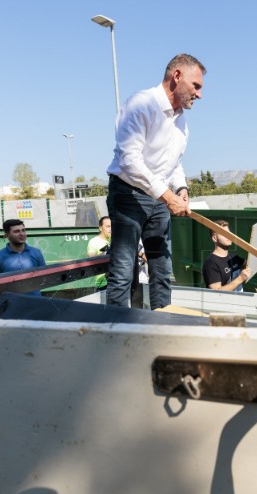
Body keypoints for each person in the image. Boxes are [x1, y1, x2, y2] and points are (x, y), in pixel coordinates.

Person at [105, 53, 206, 310]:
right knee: (124, 271)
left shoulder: (181, 122)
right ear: (177, 76)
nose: (199, 94)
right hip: (128, 196)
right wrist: (168, 196)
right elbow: (130, 161)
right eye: (196, 86)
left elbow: (173, 163)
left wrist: (181, 189)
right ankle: (115, 334)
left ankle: (163, 327)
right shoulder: (141, 104)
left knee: (162, 271)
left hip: (159, 199)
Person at [0, 220, 46, 294]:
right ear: (7, 235)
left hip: (36, 302)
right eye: (16, 231)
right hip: (11, 304)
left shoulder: (36, 253)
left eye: (23, 230)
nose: (22, 234)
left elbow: (44, 277)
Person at [87, 216, 112, 290]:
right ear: (100, 228)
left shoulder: (113, 240)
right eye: (108, 226)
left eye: (112, 226)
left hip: (115, 282)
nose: (110, 229)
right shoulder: (94, 242)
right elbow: (91, 259)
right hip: (102, 284)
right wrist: (105, 253)